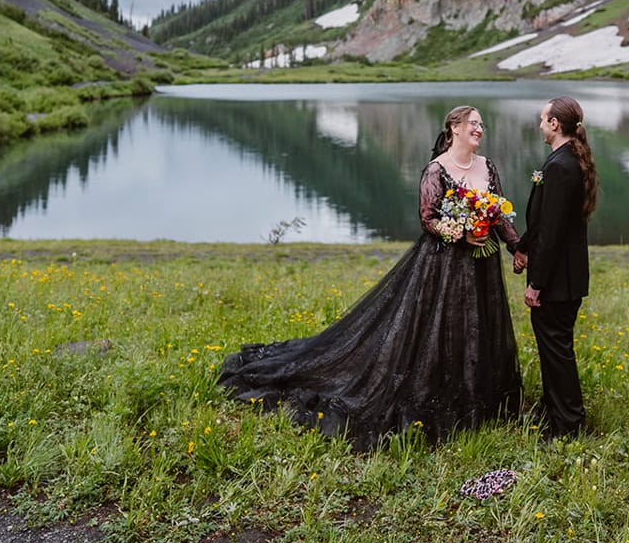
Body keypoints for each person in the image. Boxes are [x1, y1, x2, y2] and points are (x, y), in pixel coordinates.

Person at [218, 105, 522, 449]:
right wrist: (460, 234)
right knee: (443, 326)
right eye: (473, 124)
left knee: (478, 324)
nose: (480, 129)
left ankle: (478, 395)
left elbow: (497, 212)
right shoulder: (436, 170)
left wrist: (516, 246)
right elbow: (428, 219)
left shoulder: (487, 167)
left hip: (482, 266)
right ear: (454, 127)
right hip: (445, 266)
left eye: (482, 124)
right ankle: (441, 390)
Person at [515, 95, 598, 440]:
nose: (538, 124)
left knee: (557, 352)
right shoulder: (566, 161)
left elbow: (551, 232)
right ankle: (559, 415)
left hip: (558, 281)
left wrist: (536, 283)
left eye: (542, 118)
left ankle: (568, 424)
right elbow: (544, 221)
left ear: (554, 124)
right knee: (556, 349)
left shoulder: (560, 166)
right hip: (564, 277)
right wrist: (522, 246)